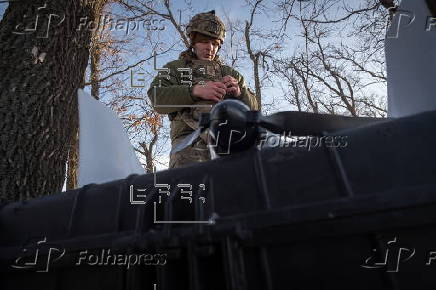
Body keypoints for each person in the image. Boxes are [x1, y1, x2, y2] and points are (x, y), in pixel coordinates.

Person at [147, 10, 259, 168]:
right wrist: (194, 91)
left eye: (215, 43)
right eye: (204, 41)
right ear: (193, 41)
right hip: (189, 143)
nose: (210, 48)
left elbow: (254, 111)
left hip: (230, 140)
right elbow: (157, 98)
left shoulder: (231, 73)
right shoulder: (175, 68)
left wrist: (240, 94)